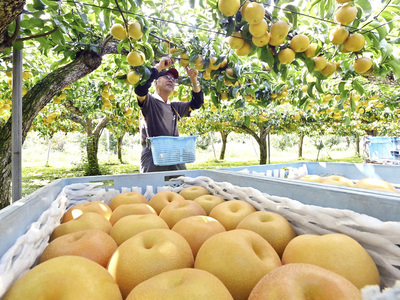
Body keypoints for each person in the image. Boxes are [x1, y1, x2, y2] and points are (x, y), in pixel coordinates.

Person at [134, 56, 204, 173]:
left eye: (173, 79)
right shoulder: (149, 101)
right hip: (153, 157)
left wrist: (194, 80)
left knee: (179, 187)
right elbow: (140, 89)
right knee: (153, 190)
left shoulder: (174, 107)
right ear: (155, 82)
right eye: (166, 77)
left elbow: (197, 103)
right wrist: (159, 67)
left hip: (174, 155)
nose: (171, 80)